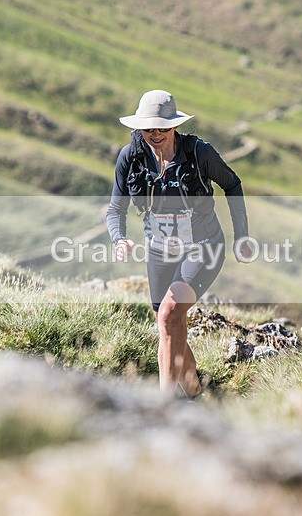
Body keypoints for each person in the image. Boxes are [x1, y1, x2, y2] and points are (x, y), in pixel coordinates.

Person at [106, 89, 251, 398]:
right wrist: (119, 239)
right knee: (168, 323)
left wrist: (242, 236)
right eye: (149, 128)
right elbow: (115, 208)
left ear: (175, 126)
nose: (155, 134)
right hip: (159, 251)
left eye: (163, 127)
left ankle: (165, 404)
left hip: (203, 247)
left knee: (170, 314)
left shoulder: (199, 153)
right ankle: (198, 392)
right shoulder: (130, 158)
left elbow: (233, 185)